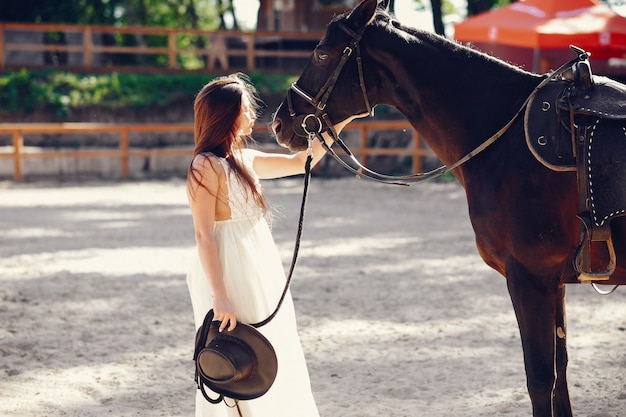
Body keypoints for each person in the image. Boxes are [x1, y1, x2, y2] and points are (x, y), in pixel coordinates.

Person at [185, 73, 362, 417]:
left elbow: (301, 161)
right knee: (234, 351)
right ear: (228, 114)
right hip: (226, 266)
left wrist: (342, 120)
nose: (253, 115)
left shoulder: (246, 158)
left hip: (258, 263)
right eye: (247, 109)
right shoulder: (205, 166)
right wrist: (220, 294)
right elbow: (204, 235)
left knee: (271, 344)